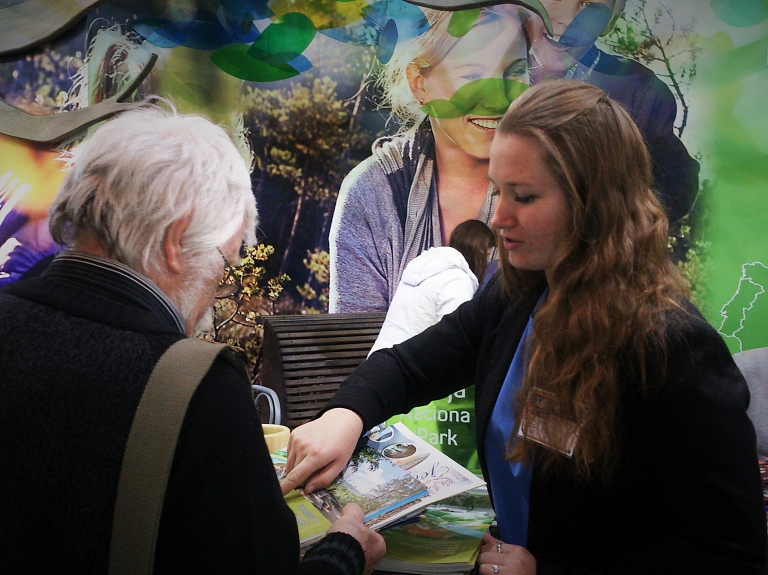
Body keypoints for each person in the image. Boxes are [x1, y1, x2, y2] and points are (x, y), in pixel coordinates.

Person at [281, 80, 767, 574]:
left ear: (593, 202)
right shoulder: (518, 295)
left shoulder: (675, 349)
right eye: (496, 190)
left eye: (525, 196)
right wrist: (346, 414)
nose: (497, 216)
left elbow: (730, 554)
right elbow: (412, 366)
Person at [0, 106, 385, 574]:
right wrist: (343, 552)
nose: (215, 295)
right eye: (225, 266)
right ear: (174, 242)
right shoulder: (189, 386)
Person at [329, 2, 543, 313]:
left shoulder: (558, 183)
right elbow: (355, 351)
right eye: (472, 74)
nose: (498, 96)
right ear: (419, 82)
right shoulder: (373, 192)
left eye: (515, 71)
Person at [528, 0, 699, 223]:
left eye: (590, 4)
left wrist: (609, 216)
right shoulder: (480, 62)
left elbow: (678, 182)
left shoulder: (636, 90)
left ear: (610, 21)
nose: (569, 20)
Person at [369, 219, 495, 354]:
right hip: (404, 367)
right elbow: (454, 341)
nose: (486, 264)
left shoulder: (422, 267)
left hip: (378, 361)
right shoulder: (458, 280)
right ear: (478, 253)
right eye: (486, 256)